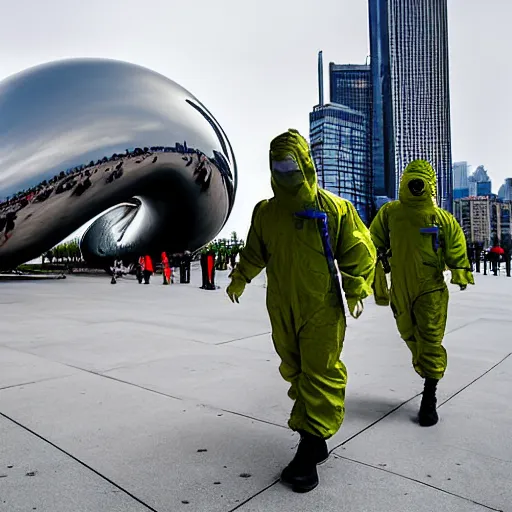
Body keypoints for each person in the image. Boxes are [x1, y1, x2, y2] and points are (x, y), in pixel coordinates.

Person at [226, 129, 376, 493]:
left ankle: (308, 449)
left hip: (321, 306)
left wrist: (357, 288)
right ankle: (317, 436)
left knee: (321, 371)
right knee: (294, 369)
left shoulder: (333, 209)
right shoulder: (266, 213)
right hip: (281, 305)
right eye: (279, 165)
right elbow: (255, 251)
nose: (285, 171)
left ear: (306, 164)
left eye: (291, 164)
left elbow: (358, 251)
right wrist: (240, 277)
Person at [370, 159, 474, 428]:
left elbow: (455, 245)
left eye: (421, 181)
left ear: (430, 185)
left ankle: (430, 395)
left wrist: (461, 269)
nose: (416, 186)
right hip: (400, 288)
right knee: (407, 331)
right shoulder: (390, 212)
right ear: (404, 181)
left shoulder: (441, 218)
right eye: (411, 180)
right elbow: (372, 240)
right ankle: (427, 366)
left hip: (431, 289)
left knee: (430, 337)